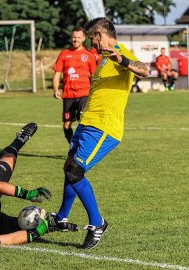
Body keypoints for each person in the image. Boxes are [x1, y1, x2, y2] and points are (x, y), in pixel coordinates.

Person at [51, 17, 149, 249]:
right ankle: (62, 218)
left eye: (92, 36)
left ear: (101, 34)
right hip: (88, 123)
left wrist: (123, 60)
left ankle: (97, 223)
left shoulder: (120, 52)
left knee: (76, 171)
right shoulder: (103, 58)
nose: (91, 42)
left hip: (104, 128)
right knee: (69, 167)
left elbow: (145, 70)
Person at [53, 27, 97, 144]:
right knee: (67, 125)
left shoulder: (89, 55)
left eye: (78, 37)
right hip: (68, 94)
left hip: (84, 94)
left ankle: (84, 147)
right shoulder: (64, 54)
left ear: (83, 39)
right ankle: (72, 145)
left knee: (84, 120)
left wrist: (95, 91)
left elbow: (93, 76)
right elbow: (57, 73)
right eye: (74, 37)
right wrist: (56, 89)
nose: (75, 40)